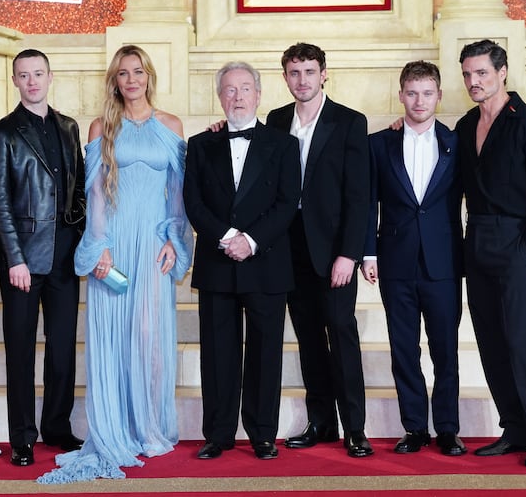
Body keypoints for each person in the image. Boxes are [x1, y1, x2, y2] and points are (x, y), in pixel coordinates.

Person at [37, 45, 193, 483]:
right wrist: (99, 246)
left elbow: (178, 195)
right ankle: (115, 427)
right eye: (123, 73)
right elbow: (97, 195)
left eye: (138, 71)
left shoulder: (172, 126)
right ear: (115, 80)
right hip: (115, 248)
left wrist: (174, 240)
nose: (131, 80)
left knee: (150, 335)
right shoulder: (101, 127)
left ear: (149, 76)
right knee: (113, 337)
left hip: (153, 246)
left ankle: (149, 427)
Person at [456, 39, 526, 467]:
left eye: (481, 73)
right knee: (491, 341)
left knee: (522, 341)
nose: (473, 81)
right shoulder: (466, 125)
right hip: (477, 238)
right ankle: (515, 427)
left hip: (515, 241)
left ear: (502, 72)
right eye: (467, 74)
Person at [184, 61, 300, 461]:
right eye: (230, 90)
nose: (237, 97)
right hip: (217, 262)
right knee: (217, 354)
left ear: (259, 94)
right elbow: (192, 202)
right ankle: (218, 433)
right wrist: (227, 236)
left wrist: (250, 240)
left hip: (266, 262)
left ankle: (263, 434)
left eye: (245, 89)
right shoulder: (200, 144)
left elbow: (288, 203)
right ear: (220, 96)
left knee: (266, 353)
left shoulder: (284, 144)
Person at [266, 43, 373, 457]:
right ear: (285, 77)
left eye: (310, 72)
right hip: (288, 250)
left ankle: (355, 429)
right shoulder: (275, 121)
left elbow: (358, 195)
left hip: (333, 254)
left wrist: (350, 253)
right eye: (295, 73)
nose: (303, 80)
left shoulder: (349, 122)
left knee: (341, 336)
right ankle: (321, 422)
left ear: (324, 73)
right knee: (308, 340)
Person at [0, 49, 86, 467]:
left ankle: (57, 427)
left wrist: (79, 233)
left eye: (38, 74)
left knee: (62, 349)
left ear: (50, 76)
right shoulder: (3, 133)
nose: (32, 82)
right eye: (23, 75)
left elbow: (78, 184)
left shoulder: (68, 126)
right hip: (23, 261)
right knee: (21, 351)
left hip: (64, 258)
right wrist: (14, 258)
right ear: (14, 81)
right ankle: (22, 437)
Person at [360, 61, 466, 456]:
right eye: (411, 92)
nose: (419, 101)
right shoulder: (378, 143)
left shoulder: (458, 143)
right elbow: (368, 201)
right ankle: (415, 428)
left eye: (427, 93)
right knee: (404, 349)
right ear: (401, 94)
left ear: (439, 95)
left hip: (444, 263)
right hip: (396, 263)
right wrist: (368, 252)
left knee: (445, 350)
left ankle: (449, 429)